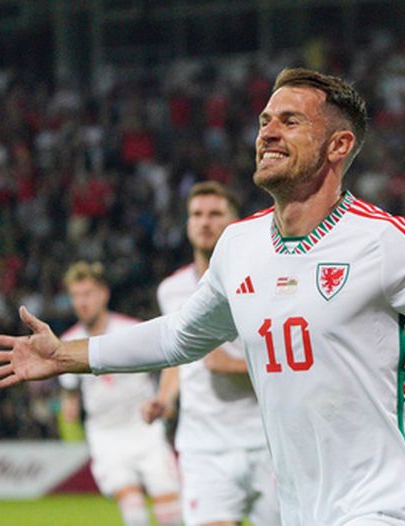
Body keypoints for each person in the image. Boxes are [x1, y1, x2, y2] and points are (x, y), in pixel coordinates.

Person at [0, 68, 405, 525]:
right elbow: (174, 338)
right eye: (263, 120)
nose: (267, 132)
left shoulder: (384, 241)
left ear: (339, 146)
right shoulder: (238, 246)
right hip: (301, 506)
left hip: (383, 503)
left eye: (289, 120)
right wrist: (68, 356)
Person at [141, 181, 280, 525]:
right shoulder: (171, 290)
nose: (205, 222)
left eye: (216, 214)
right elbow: (177, 356)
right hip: (203, 447)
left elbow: (287, 360)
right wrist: (165, 397)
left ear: (235, 224)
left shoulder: (267, 282)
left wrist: (231, 365)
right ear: (187, 224)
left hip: (269, 442)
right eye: (197, 214)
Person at [58, 261, 182, 526]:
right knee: (133, 509)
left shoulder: (132, 330)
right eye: (76, 295)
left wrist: (163, 400)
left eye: (87, 294)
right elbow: (70, 398)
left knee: (170, 509)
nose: (82, 302)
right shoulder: (67, 344)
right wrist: (70, 417)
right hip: (106, 435)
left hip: (145, 429)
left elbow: (171, 365)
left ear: (104, 294)